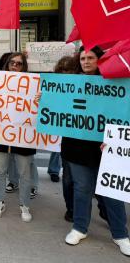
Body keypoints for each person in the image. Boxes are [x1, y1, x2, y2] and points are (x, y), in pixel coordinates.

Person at [61, 46, 130, 256]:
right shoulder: (71, 83)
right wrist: (43, 101)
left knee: (111, 192)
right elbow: (60, 108)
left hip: (107, 147)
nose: (86, 61)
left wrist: (116, 138)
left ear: (99, 60)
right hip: (76, 148)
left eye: (90, 57)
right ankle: (80, 228)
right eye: (82, 58)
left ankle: (120, 235)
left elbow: (123, 112)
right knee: (82, 189)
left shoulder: (116, 82)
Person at [0, 52, 35, 222]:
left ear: (24, 66)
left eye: (19, 63)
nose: (15, 66)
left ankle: (24, 205)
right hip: (2, 136)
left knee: (24, 173)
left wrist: (38, 99)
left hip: (23, 138)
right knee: (0, 171)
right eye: (12, 63)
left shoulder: (32, 85)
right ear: (7, 65)